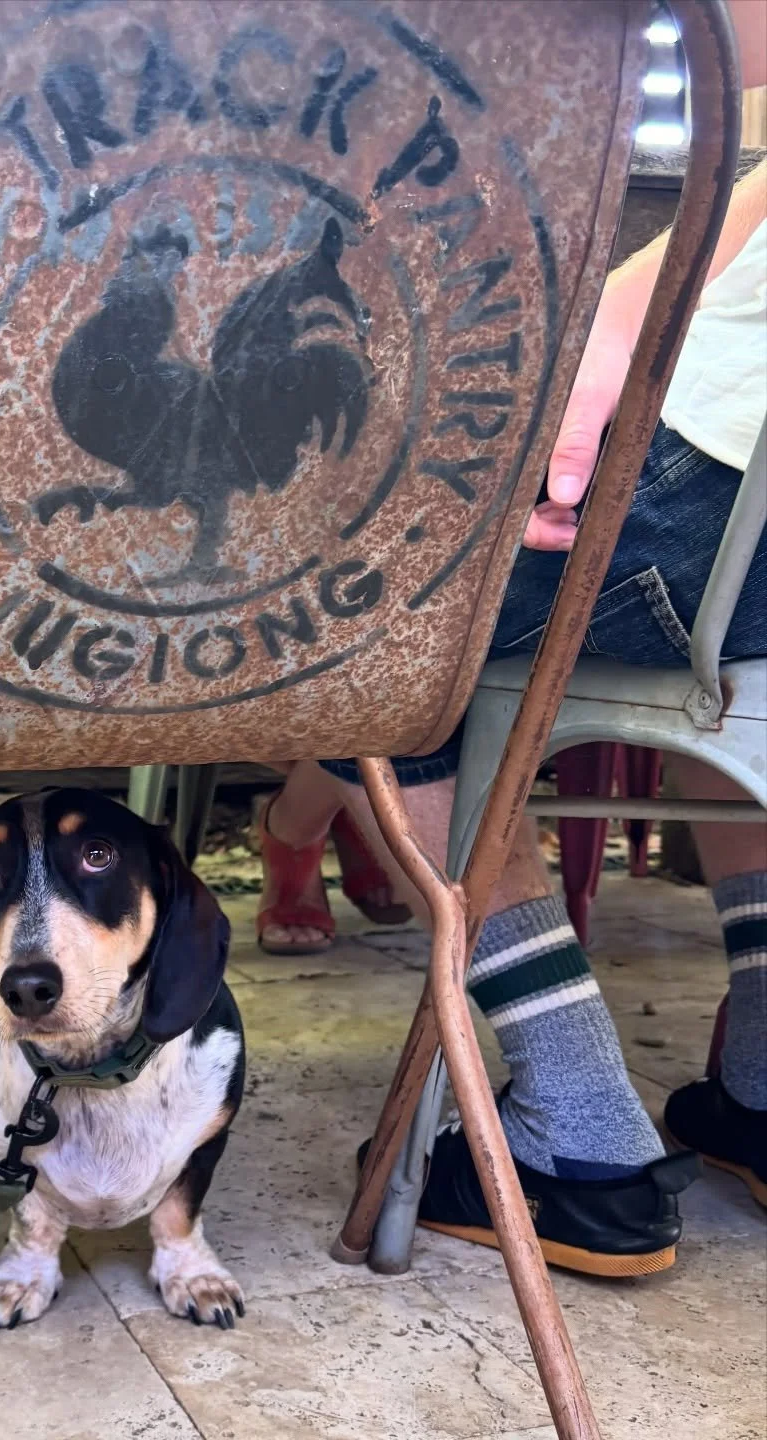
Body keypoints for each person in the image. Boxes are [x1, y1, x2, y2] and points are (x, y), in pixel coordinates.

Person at [260, 57, 767, 1267]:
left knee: (333, 604)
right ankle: (757, 1085)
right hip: (753, 541)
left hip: (699, 498)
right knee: (733, 676)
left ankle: (578, 1134)